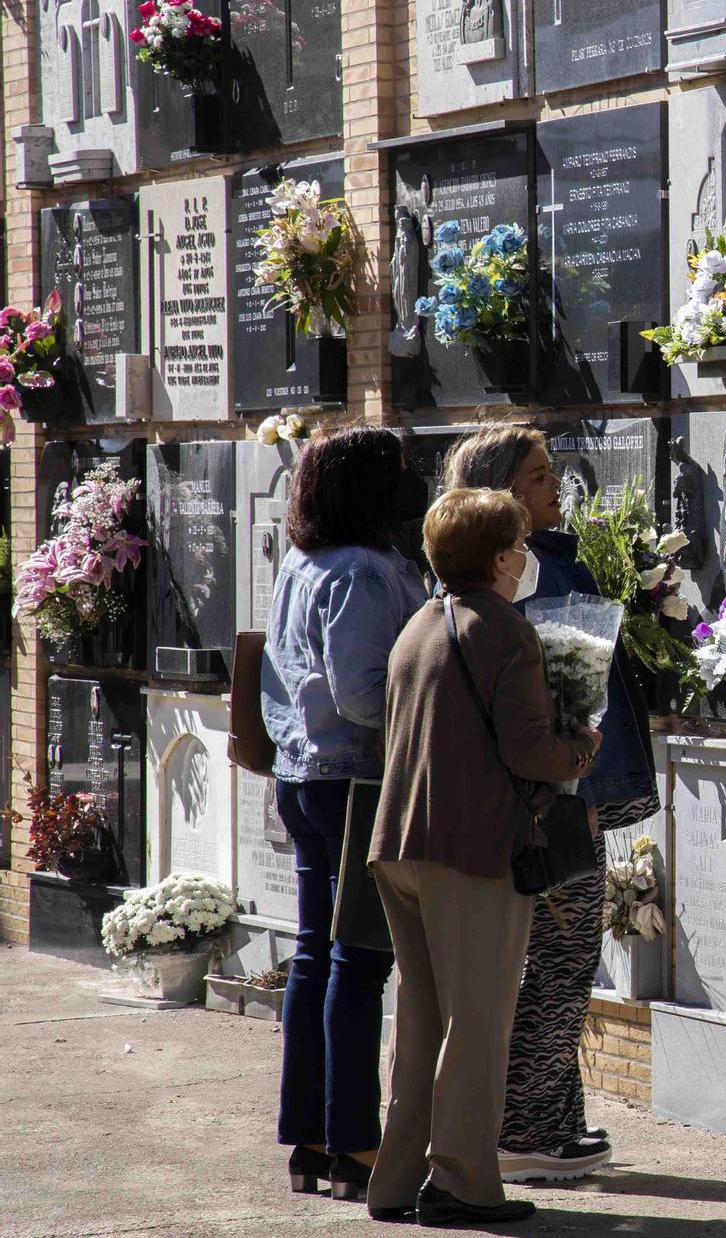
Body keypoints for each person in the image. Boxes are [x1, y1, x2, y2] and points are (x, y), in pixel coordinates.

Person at [365, 488, 601, 1227]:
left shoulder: (419, 624)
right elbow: (529, 748)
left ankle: (397, 1179)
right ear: (500, 557)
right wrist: (583, 747)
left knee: (423, 1014)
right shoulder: (503, 629)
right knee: (479, 1019)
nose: (527, 556)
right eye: (520, 544)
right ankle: (464, 1182)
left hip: (401, 843)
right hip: (470, 848)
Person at [445, 426, 658, 1182]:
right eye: (539, 478)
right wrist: (583, 794)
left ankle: (552, 1118)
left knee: (560, 960)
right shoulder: (506, 578)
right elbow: (548, 697)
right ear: (503, 492)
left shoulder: (543, 558)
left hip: (564, 791)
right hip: (550, 798)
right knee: (560, 961)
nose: (555, 488)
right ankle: (526, 1128)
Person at [261, 426, 429, 1202]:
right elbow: (364, 692)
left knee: (314, 955)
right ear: (369, 489)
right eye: (397, 473)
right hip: (351, 781)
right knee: (357, 960)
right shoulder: (362, 571)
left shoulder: (302, 560)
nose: (412, 483)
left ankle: (312, 1134)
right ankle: (355, 1142)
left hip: (301, 772)